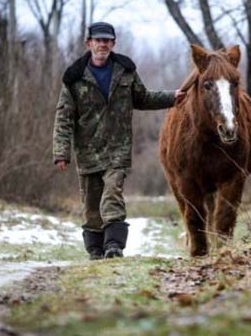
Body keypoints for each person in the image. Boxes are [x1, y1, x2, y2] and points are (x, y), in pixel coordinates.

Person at [53, 22, 184, 259]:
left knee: (112, 193)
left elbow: (143, 99)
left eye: (107, 40)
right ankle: (95, 248)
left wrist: (173, 98)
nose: (102, 44)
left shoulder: (125, 71)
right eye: (98, 40)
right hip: (87, 150)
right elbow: (63, 117)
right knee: (91, 203)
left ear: (113, 43)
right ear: (89, 43)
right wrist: (61, 152)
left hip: (117, 149)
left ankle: (114, 245)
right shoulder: (73, 78)